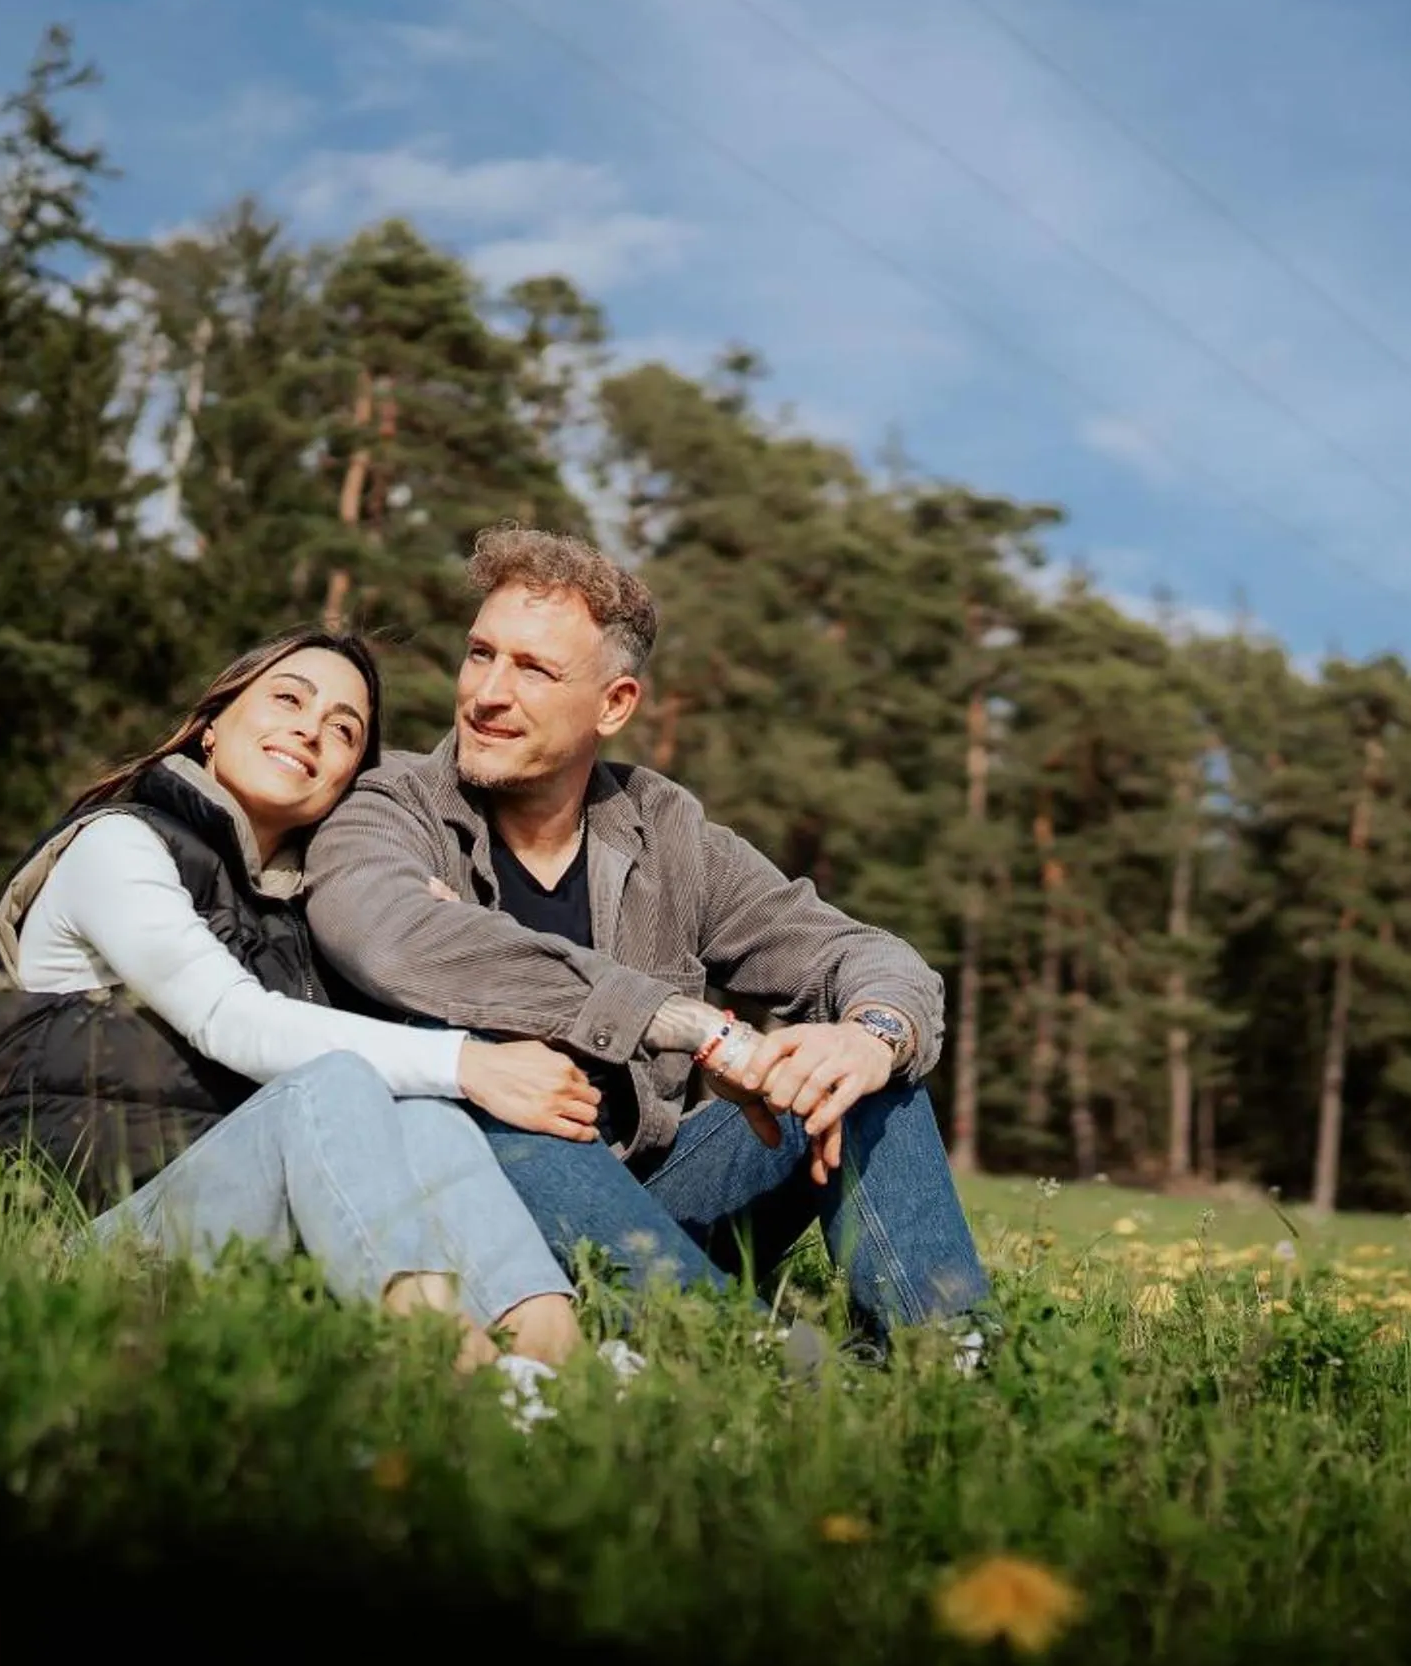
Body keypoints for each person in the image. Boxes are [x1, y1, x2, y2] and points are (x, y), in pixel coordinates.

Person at [304, 528, 991, 1349]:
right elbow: (385, 936)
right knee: (486, 1068)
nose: (487, 692)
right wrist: (686, 1023)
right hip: (484, 1205)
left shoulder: (666, 831)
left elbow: (863, 954)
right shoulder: (390, 803)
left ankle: (952, 1361)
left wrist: (871, 1036)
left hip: (647, 1192)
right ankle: (741, 1356)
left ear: (614, 704)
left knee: (856, 1071)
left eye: (533, 669)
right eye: (480, 653)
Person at [0, 628, 593, 1372]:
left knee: (423, 1112)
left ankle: (562, 1366)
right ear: (211, 725)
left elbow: (374, 1087)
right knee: (337, 1082)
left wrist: (419, 927)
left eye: (344, 730)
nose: (310, 730)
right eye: (289, 698)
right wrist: (468, 1063)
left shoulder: (293, 913)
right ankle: (449, 1366)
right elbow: (230, 1018)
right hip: (77, 1255)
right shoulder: (118, 846)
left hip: (235, 1232)